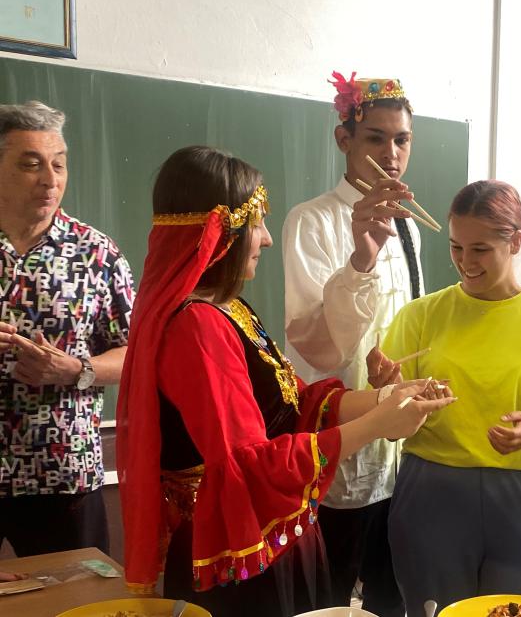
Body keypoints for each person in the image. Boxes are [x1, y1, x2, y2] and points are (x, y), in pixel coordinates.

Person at [116, 146, 453, 617]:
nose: (267, 239)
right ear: (222, 232)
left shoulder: (226, 308)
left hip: (266, 534)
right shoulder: (197, 326)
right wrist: (378, 424)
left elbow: (294, 404)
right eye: (256, 223)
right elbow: (248, 463)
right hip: (240, 552)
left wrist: (385, 396)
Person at [381, 181, 521, 610]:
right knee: (435, 611)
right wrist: (388, 396)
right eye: (456, 247)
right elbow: (389, 426)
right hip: (431, 492)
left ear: (516, 241)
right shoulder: (419, 316)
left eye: (480, 249)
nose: (465, 262)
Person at [282, 72, 419, 617]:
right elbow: (315, 346)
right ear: (344, 139)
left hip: (399, 450)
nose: (391, 154)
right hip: (337, 449)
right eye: (375, 138)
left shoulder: (408, 224)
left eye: (401, 140)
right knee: (330, 599)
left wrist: (399, 371)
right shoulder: (311, 221)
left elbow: (406, 325)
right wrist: (361, 259)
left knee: (391, 597)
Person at [0, 101, 134, 557]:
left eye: (58, 164)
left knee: (76, 592)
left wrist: (76, 370)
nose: (49, 179)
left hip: (62, 473)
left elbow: (137, 354)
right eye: (30, 164)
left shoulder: (97, 253)